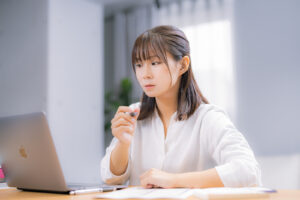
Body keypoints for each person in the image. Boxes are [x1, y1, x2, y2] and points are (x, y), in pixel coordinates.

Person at [101, 25, 261, 188]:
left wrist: (173, 180)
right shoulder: (134, 114)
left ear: (183, 65)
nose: (145, 74)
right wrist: (123, 143)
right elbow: (111, 178)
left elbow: (248, 171)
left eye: (155, 63)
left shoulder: (208, 118)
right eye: (139, 65)